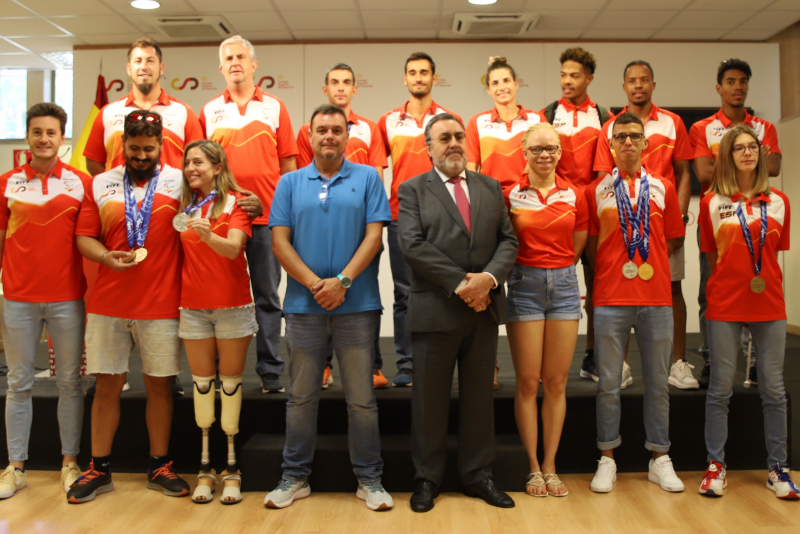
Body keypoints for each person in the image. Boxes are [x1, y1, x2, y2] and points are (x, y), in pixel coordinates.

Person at [265, 104, 393, 511]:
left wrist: (343, 283)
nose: (329, 137)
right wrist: (315, 285)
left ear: (347, 134)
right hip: (303, 308)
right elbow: (279, 243)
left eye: (337, 130)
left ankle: (370, 480)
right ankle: (294, 477)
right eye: (322, 130)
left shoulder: (369, 177)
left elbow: (375, 239)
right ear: (310, 135)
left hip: (357, 306)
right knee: (301, 397)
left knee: (361, 400)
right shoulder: (288, 183)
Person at [68, 110, 191, 503]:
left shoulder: (179, 180)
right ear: (123, 145)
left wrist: (251, 202)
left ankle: (159, 465)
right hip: (108, 304)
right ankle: (99, 469)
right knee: (107, 386)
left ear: (161, 147)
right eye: (134, 148)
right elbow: (85, 236)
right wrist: (105, 257)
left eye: (148, 149)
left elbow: (218, 200)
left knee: (159, 388)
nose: (141, 156)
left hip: (161, 303)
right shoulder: (101, 182)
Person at [398, 113, 518, 513]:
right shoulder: (412, 189)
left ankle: (478, 475)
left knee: (480, 400)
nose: (453, 143)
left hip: (483, 312)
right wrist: (465, 285)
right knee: (428, 402)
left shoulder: (490, 187)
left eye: (458, 136)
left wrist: (487, 279)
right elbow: (413, 246)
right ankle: (427, 479)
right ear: (428, 146)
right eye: (443, 138)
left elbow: (508, 241)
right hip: (436, 311)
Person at [585, 113, 685, 494]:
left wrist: (645, 262)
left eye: (635, 136)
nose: (628, 142)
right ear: (610, 145)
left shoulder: (663, 188)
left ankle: (659, 457)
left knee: (658, 384)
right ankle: (607, 458)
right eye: (620, 136)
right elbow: (592, 247)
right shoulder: (595, 190)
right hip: (610, 298)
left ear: (646, 143)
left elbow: (672, 239)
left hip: (657, 298)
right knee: (609, 385)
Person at [698, 125, 797, 499]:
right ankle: (715, 466)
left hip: (769, 303)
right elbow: (713, 257)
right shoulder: (712, 203)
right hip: (724, 303)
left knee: (773, 389)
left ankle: (778, 468)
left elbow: (773, 255)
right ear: (727, 155)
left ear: (760, 152)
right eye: (738, 147)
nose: (747, 153)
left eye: (752, 146)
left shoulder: (779, 202)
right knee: (720, 389)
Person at [0, 103, 91, 500]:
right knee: (18, 384)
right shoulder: (5, 183)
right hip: (17, 299)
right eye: (37, 132)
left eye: (51, 133)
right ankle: (15, 468)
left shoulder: (80, 183)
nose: (44, 139)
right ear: (27, 137)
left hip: (67, 299)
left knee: (70, 384)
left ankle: (69, 463)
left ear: (62, 138)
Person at [200, 35, 298, 394]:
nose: (236, 62)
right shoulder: (209, 110)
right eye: (229, 57)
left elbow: (289, 166)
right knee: (220, 298)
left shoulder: (275, 106)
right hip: (222, 223)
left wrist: (286, 215)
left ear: (254, 65)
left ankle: (270, 370)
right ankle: (214, 368)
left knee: (268, 297)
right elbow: (200, 169)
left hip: (267, 220)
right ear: (222, 67)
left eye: (242, 56)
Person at [594, 60, 694, 390]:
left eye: (645, 79)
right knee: (621, 296)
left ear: (653, 84)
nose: (638, 85)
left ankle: (678, 364)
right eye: (632, 80)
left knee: (673, 289)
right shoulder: (610, 126)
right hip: (622, 225)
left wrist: (677, 217)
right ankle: (620, 365)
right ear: (624, 86)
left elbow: (683, 175)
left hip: (661, 219)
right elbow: (601, 180)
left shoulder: (672, 122)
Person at [504, 123, 588, 497]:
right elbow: (505, 243)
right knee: (527, 382)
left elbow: (578, 241)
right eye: (537, 148)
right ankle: (533, 467)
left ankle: (551, 465)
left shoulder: (576, 194)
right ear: (523, 151)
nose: (544, 155)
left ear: (559, 152)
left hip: (566, 287)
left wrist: (559, 270)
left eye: (551, 148)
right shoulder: (511, 195)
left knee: (556, 382)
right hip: (525, 287)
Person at [296, 62, 389, 389]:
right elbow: (302, 181)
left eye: (346, 82)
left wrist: (370, 224)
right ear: (325, 89)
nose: (340, 87)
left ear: (354, 89)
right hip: (320, 227)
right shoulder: (308, 130)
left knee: (364, 296)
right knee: (320, 289)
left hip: (362, 230)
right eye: (334, 82)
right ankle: (323, 366)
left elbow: (377, 175)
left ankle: (373, 367)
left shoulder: (370, 128)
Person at [690, 58, 782, 389]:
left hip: (758, 214)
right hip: (717, 217)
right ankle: (713, 358)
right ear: (719, 88)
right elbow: (702, 173)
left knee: (758, 283)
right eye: (731, 81)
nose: (738, 87)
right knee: (710, 288)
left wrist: (722, 162)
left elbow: (771, 168)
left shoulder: (765, 127)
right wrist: (748, 163)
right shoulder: (702, 128)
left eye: (743, 81)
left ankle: (755, 361)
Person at [176, 140, 257, 505]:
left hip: (232, 307)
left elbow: (234, 248)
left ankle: (232, 469)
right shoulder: (181, 204)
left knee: (230, 387)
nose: (191, 167)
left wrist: (209, 234)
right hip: (193, 308)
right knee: (202, 389)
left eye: (199, 162)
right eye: (187, 162)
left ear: (218, 167)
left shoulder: (237, 203)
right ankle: (206, 469)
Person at [378, 52, 462, 387]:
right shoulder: (387, 121)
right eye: (412, 72)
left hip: (441, 217)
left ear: (433, 78)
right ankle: (407, 364)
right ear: (405, 79)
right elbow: (377, 168)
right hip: (400, 215)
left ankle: (439, 363)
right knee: (404, 294)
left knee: (443, 291)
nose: (418, 77)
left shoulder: (448, 118)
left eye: (424, 72)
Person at [541, 47, 613, 386]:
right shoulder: (548, 113)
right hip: (558, 213)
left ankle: (593, 357)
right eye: (563, 74)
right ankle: (546, 362)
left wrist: (590, 203)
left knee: (598, 289)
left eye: (575, 75)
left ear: (589, 79)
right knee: (552, 287)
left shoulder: (603, 115)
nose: (567, 81)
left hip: (594, 213)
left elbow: (603, 172)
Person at [84, 37, 203, 175]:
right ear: (129, 68)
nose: (144, 66)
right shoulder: (108, 112)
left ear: (161, 68)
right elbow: (93, 162)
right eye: (138, 61)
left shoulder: (184, 112)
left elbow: (198, 161)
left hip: (172, 196)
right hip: (121, 196)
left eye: (150, 61)